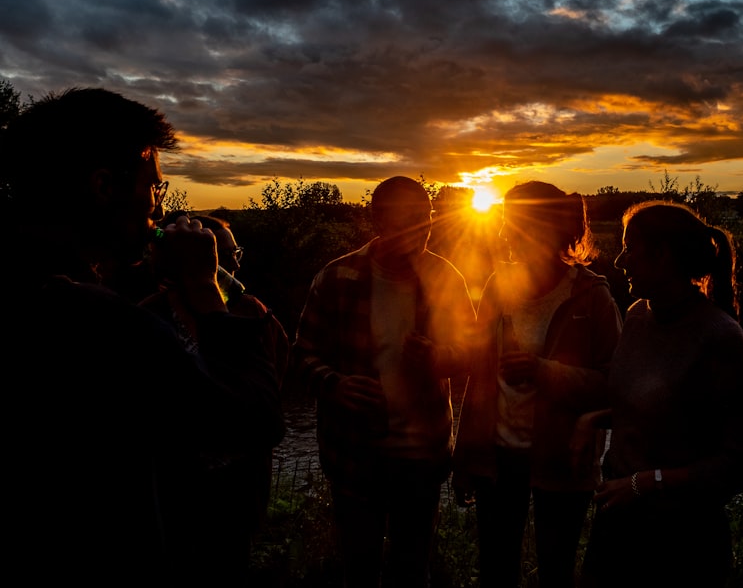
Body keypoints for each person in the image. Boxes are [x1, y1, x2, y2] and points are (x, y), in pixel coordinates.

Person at [0, 87, 285, 585]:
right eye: (154, 188)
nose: (159, 206)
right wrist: (205, 289)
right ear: (105, 186)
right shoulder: (89, 315)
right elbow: (252, 421)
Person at [293, 176, 476, 588]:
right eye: (408, 218)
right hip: (354, 459)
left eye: (425, 217)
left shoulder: (447, 278)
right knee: (358, 571)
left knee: (412, 573)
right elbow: (301, 356)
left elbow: (474, 353)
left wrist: (438, 357)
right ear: (378, 220)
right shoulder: (336, 277)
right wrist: (335, 384)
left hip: (422, 462)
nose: (422, 227)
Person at [577, 201, 743, 588]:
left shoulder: (720, 336)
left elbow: (741, 461)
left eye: (629, 248)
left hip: (682, 540)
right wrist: (595, 419)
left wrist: (647, 482)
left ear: (662, 256)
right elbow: (653, 404)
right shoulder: (637, 317)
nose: (621, 260)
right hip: (618, 527)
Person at [452, 181, 622, 588]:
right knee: (495, 569)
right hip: (498, 457)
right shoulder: (498, 285)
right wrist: (465, 457)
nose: (510, 232)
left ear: (552, 227)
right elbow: (478, 375)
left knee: (556, 571)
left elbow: (614, 385)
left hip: (563, 459)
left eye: (520, 222)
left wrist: (541, 370)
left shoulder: (592, 296)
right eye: (508, 221)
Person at [140, 210, 290, 585]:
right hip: (176, 497)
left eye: (233, 258)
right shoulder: (146, 317)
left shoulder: (251, 312)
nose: (232, 271)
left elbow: (273, 384)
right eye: (222, 260)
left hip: (240, 494)